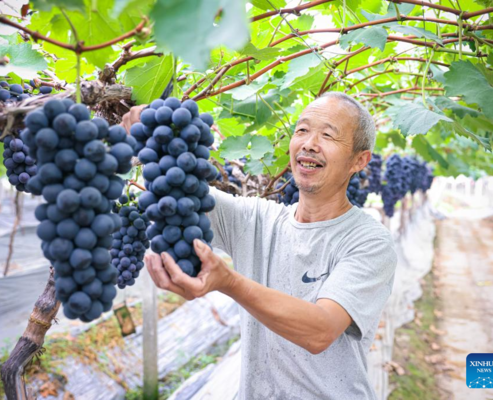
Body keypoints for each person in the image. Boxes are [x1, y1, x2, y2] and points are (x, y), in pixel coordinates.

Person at [127, 92, 397, 399]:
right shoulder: (258, 219)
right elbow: (178, 191)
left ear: (359, 160)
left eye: (327, 135)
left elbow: (320, 330)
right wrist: (150, 132)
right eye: (302, 130)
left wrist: (228, 282)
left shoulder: (369, 241)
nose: (309, 143)